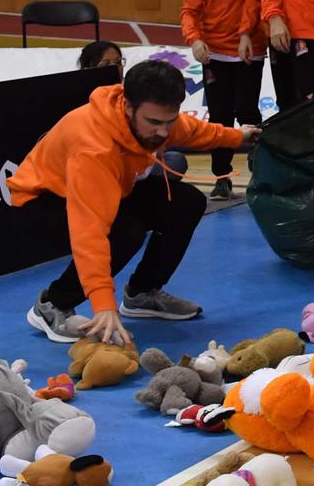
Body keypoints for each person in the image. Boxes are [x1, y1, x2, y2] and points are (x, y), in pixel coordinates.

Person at [14, 60, 255, 344]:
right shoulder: (93, 149)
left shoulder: (154, 120)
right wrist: (104, 305)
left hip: (112, 189)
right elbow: (89, 232)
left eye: (169, 121)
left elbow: (191, 130)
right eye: (154, 123)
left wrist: (237, 137)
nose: (164, 133)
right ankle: (53, 305)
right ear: (128, 107)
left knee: (186, 201)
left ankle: (142, 294)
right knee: (126, 231)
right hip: (42, 201)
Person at [181, 0, 261, 201]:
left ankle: (260, 173)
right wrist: (195, 39)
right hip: (214, 55)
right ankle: (222, 177)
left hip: (248, 54)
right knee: (219, 117)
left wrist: (245, 35)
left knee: (248, 111)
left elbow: (255, 2)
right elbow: (189, 11)